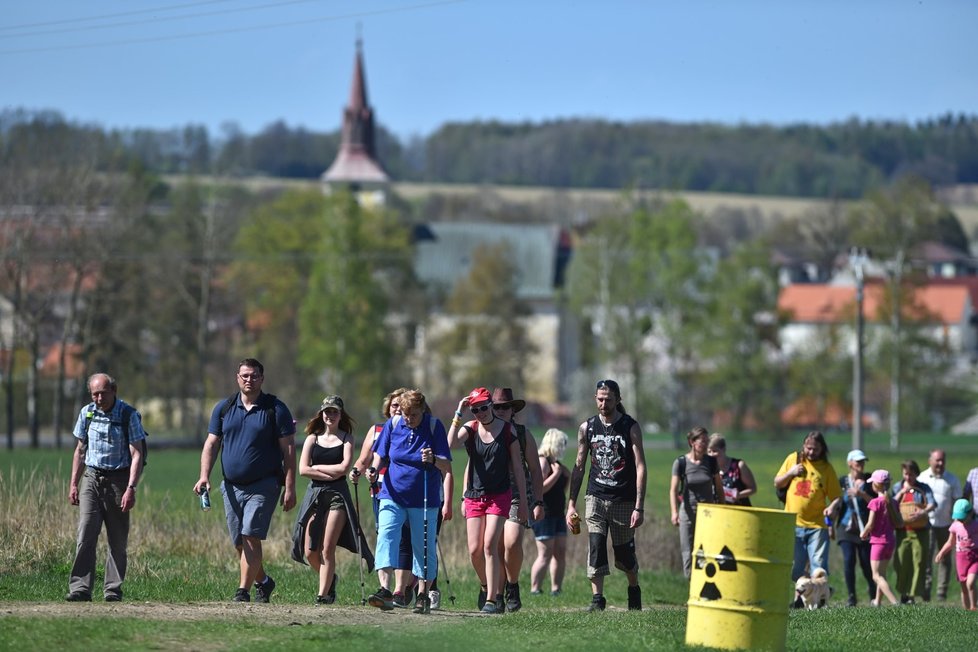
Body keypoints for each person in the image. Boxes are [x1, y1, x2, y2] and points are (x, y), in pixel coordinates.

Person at [193, 358, 297, 603]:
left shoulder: (275, 408)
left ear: (262, 378)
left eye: (254, 376)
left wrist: (290, 486)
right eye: (245, 375)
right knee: (239, 542)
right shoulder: (224, 408)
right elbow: (211, 444)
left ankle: (243, 591)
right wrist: (204, 476)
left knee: (250, 535)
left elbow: (289, 451)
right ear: (237, 378)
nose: (249, 380)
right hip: (230, 486)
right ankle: (263, 581)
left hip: (264, 484)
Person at [364, 389, 451, 614]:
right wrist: (373, 470)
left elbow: (446, 465)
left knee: (422, 546)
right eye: (405, 414)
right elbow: (380, 454)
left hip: (424, 498)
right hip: (392, 494)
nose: (408, 419)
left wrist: (432, 459)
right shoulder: (393, 425)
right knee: (386, 536)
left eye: (413, 414)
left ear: (422, 410)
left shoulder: (434, 426)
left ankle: (422, 593)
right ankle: (385, 589)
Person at [566, 379, 647, 612]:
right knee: (596, 545)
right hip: (595, 497)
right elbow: (579, 466)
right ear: (595, 399)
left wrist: (638, 506)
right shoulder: (587, 428)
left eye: (608, 400)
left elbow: (641, 466)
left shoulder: (630, 427)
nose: (603, 404)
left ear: (618, 400)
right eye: (600, 399)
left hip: (623, 499)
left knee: (624, 554)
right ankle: (597, 599)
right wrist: (571, 504)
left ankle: (633, 588)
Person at [447, 387, 530, 614]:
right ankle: (486, 586)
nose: (481, 413)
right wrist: (458, 413)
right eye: (476, 410)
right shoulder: (471, 428)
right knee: (474, 550)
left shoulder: (507, 431)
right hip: (474, 494)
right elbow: (450, 445)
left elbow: (519, 470)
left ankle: (492, 600)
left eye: (484, 407)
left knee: (489, 545)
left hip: (499, 496)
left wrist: (523, 501)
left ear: (490, 406)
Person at [66, 373, 146, 602]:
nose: (99, 398)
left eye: (102, 393)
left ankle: (112, 589)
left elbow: (136, 452)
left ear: (114, 390)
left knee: (117, 540)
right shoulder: (87, 413)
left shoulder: (128, 415)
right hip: (91, 478)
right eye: (94, 394)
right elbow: (80, 451)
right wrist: (73, 483)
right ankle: (80, 589)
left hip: (119, 480)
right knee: (86, 534)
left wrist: (131, 487)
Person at [291, 395, 374, 604]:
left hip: (338, 497)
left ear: (340, 414)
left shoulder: (347, 439)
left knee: (327, 548)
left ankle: (323, 595)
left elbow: (344, 468)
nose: (330, 415)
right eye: (327, 411)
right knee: (310, 551)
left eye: (335, 411)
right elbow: (302, 470)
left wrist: (316, 468)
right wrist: (327, 472)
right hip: (315, 496)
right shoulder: (313, 438)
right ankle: (329, 578)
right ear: (322, 413)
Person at [492, 387, 545, 613]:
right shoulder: (484, 432)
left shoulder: (523, 434)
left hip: (517, 495)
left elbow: (535, 469)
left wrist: (538, 501)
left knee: (512, 543)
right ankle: (496, 592)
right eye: (496, 407)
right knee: (495, 546)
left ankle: (512, 586)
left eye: (505, 406)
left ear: (512, 409)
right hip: (491, 496)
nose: (501, 410)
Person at [774, 431, 841, 593]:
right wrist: (791, 473)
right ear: (803, 446)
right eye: (808, 448)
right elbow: (777, 482)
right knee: (796, 570)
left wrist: (832, 507)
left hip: (817, 526)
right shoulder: (793, 459)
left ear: (822, 449)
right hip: (793, 524)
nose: (811, 452)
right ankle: (803, 598)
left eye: (815, 449)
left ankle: (819, 602)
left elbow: (837, 497)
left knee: (818, 567)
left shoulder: (826, 469)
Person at [670, 427, 723, 579]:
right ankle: (691, 585)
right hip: (687, 513)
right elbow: (673, 490)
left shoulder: (711, 462)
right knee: (688, 551)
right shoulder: (681, 463)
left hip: (708, 514)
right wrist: (674, 512)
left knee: (706, 551)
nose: (706, 445)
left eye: (707, 442)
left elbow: (719, 488)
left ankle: (705, 586)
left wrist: (723, 508)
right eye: (703, 441)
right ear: (692, 442)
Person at [918, 448, 963, 602]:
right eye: (937, 460)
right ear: (930, 461)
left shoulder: (952, 479)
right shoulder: (922, 478)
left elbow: (958, 501)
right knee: (927, 558)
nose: (940, 463)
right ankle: (926, 592)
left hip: (947, 525)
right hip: (927, 524)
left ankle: (941, 593)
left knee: (945, 559)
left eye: (942, 460)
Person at [530, 428, 570, 597]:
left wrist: (564, 474)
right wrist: (556, 475)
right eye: (562, 444)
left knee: (560, 552)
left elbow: (563, 488)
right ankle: (535, 589)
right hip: (544, 514)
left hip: (558, 513)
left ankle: (556, 589)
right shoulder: (543, 462)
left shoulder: (557, 464)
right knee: (545, 553)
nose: (564, 448)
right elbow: (539, 488)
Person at [835, 449, 877, 607]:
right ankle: (851, 596)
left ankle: (873, 592)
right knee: (848, 560)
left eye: (862, 461)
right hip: (846, 527)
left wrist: (862, 494)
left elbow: (876, 503)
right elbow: (837, 502)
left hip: (865, 527)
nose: (861, 464)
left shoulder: (869, 480)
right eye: (857, 461)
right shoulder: (843, 482)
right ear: (850, 463)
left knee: (866, 563)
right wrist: (831, 521)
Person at [891, 459, 935, 605]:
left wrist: (922, 512)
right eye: (906, 474)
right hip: (902, 531)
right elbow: (891, 504)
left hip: (920, 531)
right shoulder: (898, 486)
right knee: (901, 562)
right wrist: (901, 492)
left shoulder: (923, 488)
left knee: (919, 562)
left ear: (916, 474)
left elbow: (932, 504)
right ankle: (903, 592)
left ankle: (912, 595)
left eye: (911, 474)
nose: (908, 477)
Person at [859, 469, 903, 606]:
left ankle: (895, 603)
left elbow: (870, 523)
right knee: (882, 574)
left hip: (878, 543)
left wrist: (863, 533)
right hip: (890, 541)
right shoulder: (893, 502)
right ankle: (877, 601)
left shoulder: (875, 503)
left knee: (876, 576)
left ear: (875, 485)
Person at [934, 498, 978, 611]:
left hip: (975, 556)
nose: (960, 520)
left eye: (962, 517)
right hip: (961, 558)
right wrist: (941, 553)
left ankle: (974, 606)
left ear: (970, 513)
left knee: (970, 582)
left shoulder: (975, 524)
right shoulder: (955, 525)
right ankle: (967, 610)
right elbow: (950, 542)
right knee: (963, 586)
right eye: (958, 518)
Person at [707, 433, 756, 507]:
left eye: (714, 451)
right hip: (718, 512)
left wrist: (739, 495)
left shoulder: (738, 465)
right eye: (709, 451)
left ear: (723, 449)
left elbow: (753, 488)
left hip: (739, 511)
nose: (711, 454)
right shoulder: (707, 469)